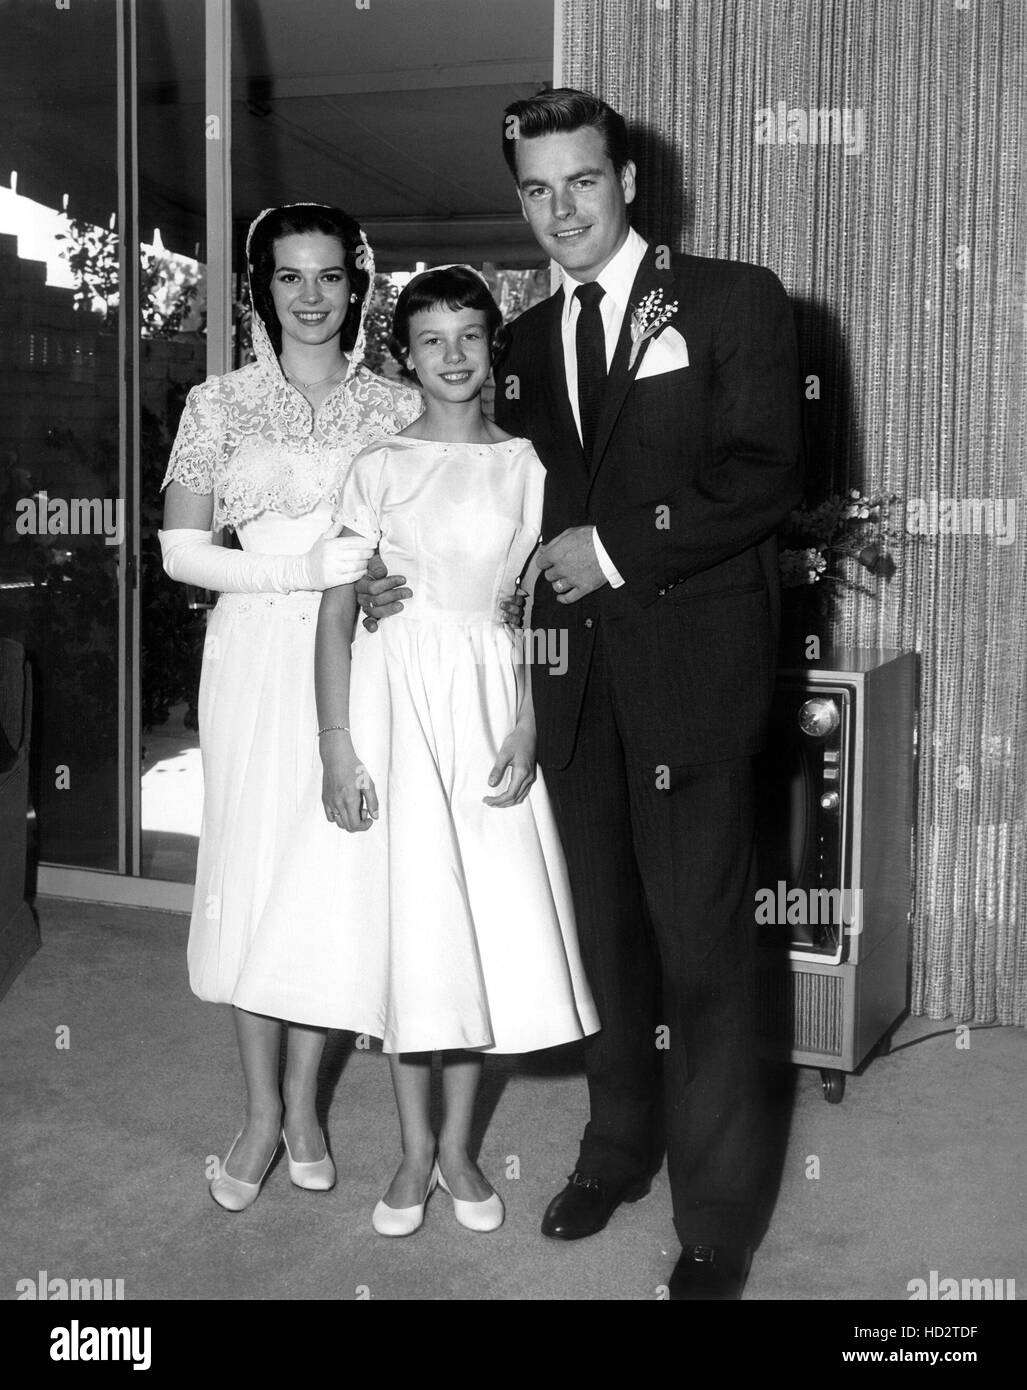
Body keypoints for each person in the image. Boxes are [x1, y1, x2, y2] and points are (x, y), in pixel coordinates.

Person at [360, 90, 803, 1298]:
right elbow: (486, 494)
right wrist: (387, 574)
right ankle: (616, 1148)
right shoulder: (515, 338)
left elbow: (764, 472)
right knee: (602, 943)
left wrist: (611, 550)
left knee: (706, 955)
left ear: (628, 184)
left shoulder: (732, 299)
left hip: (694, 680)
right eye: (537, 189)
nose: (561, 208)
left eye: (582, 182)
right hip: (566, 689)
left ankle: (716, 1222)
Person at [241, 266, 599, 1237]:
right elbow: (336, 613)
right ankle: (407, 1152)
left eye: (470, 336)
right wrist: (334, 743)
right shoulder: (378, 465)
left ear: (492, 349)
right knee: (414, 929)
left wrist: (526, 719)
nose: (451, 355)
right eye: (432, 338)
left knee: (475, 929)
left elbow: (525, 608)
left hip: (484, 702)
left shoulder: (528, 466)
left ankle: (457, 1152)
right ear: (405, 352)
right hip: (394, 700)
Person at [158, 203, 422, 1211]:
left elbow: (414, 545)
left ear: (356, 286)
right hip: (250, 657)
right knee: (252, 869)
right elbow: (180, 552)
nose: (310, 298)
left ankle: (306, 1105)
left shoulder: (394, 409)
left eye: (328, 277)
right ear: (257, 289)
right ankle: (260, 1113)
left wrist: (383, 587)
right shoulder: (216, 403)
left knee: (327, 879)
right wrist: (300, 570)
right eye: (288, 277)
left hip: (355, 659)